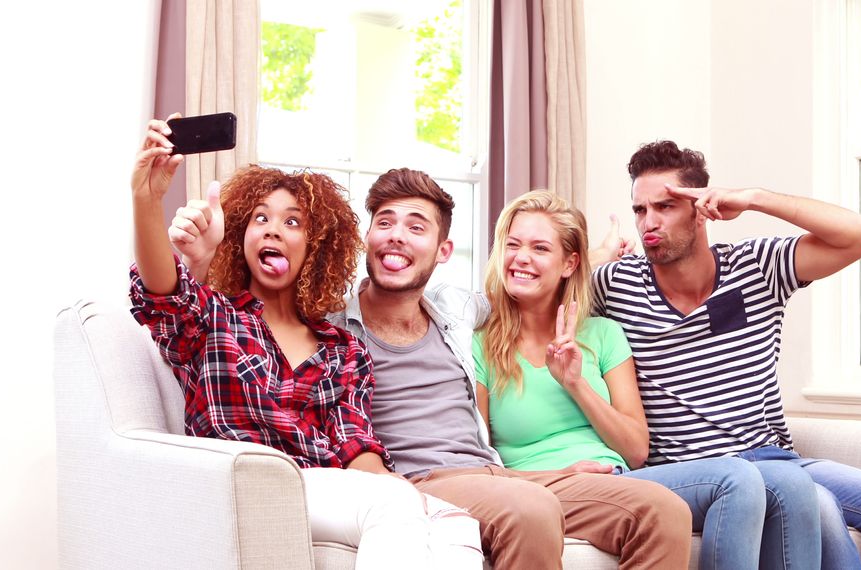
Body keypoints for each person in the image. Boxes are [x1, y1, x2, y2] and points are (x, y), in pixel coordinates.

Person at [173, 167, 693, 569]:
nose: (397, 236)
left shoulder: (459, 311)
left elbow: (527, 278)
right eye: (385, 223)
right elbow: (232, 327)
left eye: (415, 227)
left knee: (661, 510)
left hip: (499, 472)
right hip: (413, 480)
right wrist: (197, 260)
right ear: (365, 241)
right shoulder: (328, 330)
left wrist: (593, 255)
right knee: (527, 511)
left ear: (443, 250)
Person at [129, 115, 481, 569]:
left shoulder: (343, 349)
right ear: (242, 236)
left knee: (453, 521)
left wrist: (406, 493)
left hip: (324, 489)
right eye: (261, 219)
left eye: (292, 222)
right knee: (392, 505)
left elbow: (356, 444)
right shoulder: (212, 317)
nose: (273, 229)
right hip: (245, 485)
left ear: (316, 247)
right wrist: (147, 198)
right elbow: (162, 294)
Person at [591, 140, 861, 570]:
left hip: (774, 457)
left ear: (701, 209)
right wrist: (600, 253)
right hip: (699, 472)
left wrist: (755, 198)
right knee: (821, 508)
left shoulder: (756, 266)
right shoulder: (616, 284)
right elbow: (544, 288)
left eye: (664, 207)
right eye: (640, 210)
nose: (649, 223)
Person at [473, 190, 821, 570]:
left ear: (571, 263)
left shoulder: (603, 334)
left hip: (620, 480)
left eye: (539, 248)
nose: (521, 257)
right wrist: (558, 474)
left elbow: (637, 449)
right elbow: (476, 464)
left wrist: (576, 383)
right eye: (513, 245)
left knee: (742, 478)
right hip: (545, 487)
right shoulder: (479, 345)